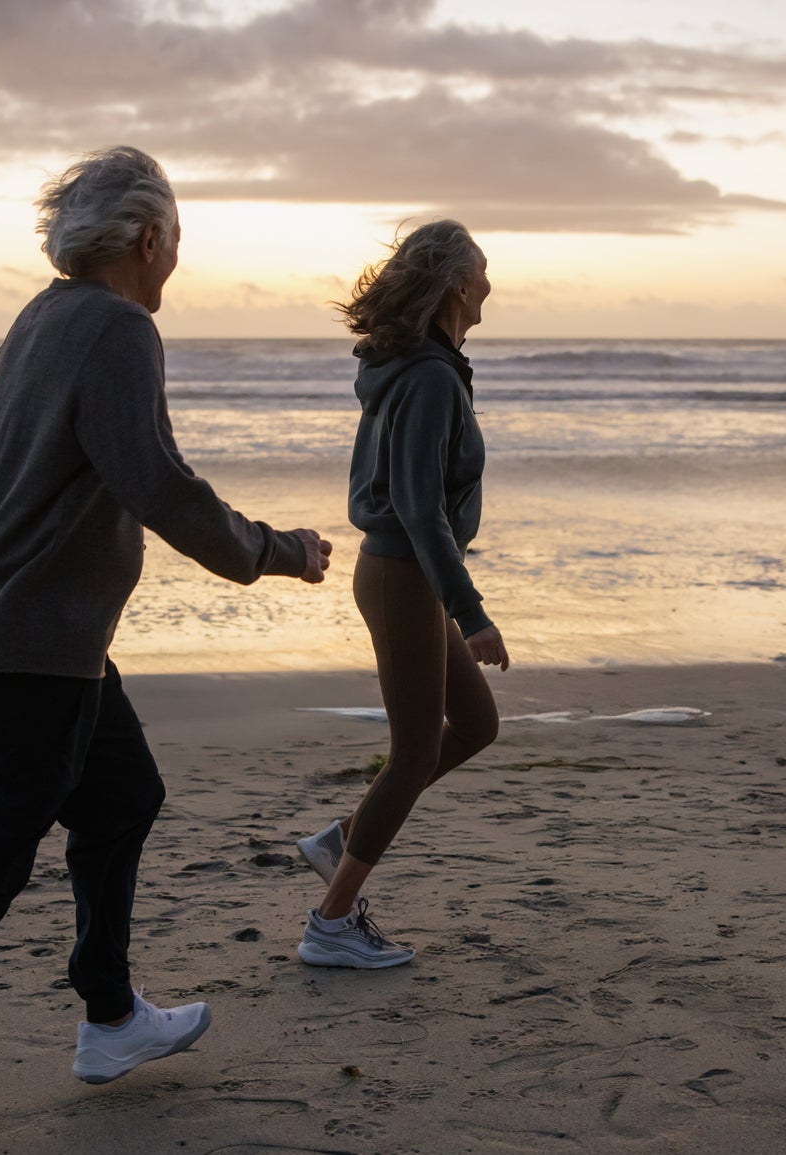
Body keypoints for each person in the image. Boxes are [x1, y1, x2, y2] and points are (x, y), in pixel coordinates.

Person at [0, 146, 332, 1150]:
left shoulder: (41, 318)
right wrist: (274, 551)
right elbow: (159, 483)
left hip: (41, 641)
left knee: (124, 796)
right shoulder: (116, 327)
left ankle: (109, 1017)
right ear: (148, 240)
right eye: (175, 245)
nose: (174, 265)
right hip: (34, 651)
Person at [293, 220, 506, 970]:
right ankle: (332, 921)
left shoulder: (421, 366)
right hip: (402, 572)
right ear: (456, 285)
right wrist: (471, 610)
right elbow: (419, 507)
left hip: (402, 571)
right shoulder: (428, 377)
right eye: (482, 271)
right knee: (414, 750)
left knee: (475, 722)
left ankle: (343, 837)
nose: (490, 285)